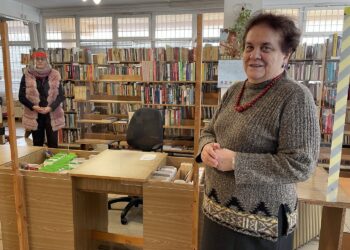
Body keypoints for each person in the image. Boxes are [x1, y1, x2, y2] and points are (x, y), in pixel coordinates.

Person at [196, 13, 320, 250]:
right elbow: (209, 130)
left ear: (286, 54)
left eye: (266, 48)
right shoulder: (234, 90)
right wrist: (205, 147)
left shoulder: (295, 97)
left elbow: (301, 164)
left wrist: (237, 162)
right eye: (249, 47)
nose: (254, 55)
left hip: (261, 228)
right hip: (216, 214)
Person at [19, 49, 65, 148]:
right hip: (35, 115)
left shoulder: (55, 75)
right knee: (37, 144)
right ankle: (38, 163)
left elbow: (61, 96)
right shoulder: (27, 75)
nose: (40, 61)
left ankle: (53, 163)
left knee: (53, 144)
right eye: (37, 59)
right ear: (33, 61)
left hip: (51, 114)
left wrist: (50, 107)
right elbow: (21, 96)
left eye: (42, 59)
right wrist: (33, 106)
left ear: (46, 61)